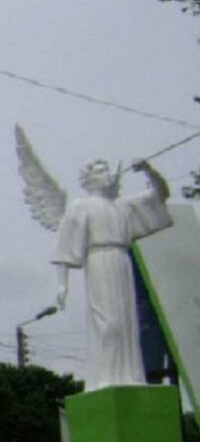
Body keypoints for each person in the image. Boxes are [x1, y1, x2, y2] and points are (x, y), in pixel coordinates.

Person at [52, 158, 171, 390]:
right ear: (89, 179)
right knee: (108, 323)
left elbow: (161, 194)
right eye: (100, 170)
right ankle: (103, 377)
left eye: (107, 169)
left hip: (121, 261)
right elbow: (65, 246)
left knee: (128, 324)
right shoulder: (81, 206)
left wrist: (149, 169)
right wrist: (62, 284)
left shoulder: (123, 206)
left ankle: (130, 376)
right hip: (99, 261)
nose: (107, 173)